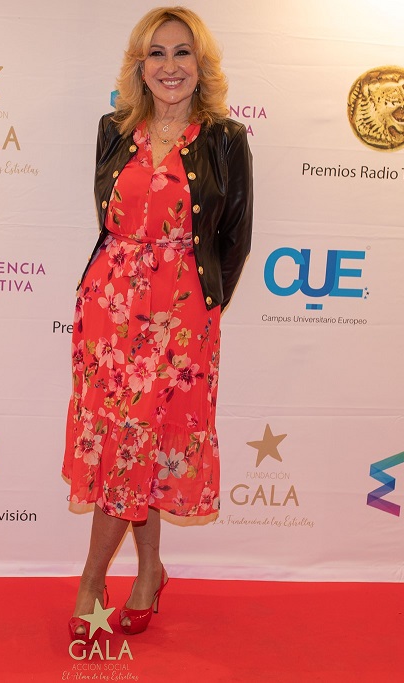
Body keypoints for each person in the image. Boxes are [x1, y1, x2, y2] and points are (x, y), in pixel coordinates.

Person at [62, 6, 253, 638]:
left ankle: (102, 580)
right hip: (109, 311)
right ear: (139, 67)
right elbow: (110, 218)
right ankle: (137, 573)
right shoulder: (112, 130)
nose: (170, 66)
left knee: (148, 443)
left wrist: (204, 307)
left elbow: (235, 237)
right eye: (157, 53)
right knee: (125, 444)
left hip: (181, 317)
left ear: (202, 65)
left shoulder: (226, 140)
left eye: (182, 52)